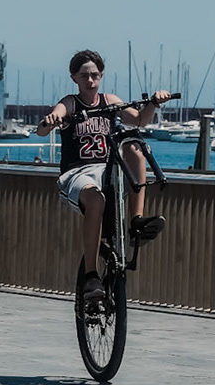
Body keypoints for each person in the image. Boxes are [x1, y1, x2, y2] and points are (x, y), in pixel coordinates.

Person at [34, 50, 174, 307]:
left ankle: (137, 222)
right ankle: (91, 275)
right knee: (96, 201)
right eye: (85, 76)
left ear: (101, 76)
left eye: (95, 75)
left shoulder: (110, 101)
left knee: (133, 146)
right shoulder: (71, 103)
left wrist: (154, 102)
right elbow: (44, 129)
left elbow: (140, 119)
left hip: (107, 170)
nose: (90, 80)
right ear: (74, 77)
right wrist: (52, 120)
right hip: (78, 174)